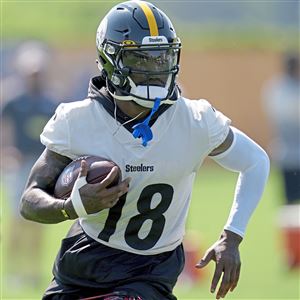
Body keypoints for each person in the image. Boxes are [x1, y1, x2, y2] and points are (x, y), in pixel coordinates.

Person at [20, 1, 269, 299]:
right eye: (141, 60)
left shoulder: (195, 120)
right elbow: (29, 201)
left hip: (151, 270)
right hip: (84, 261)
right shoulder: (78, 120)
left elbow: (255, 161)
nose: (154, 70)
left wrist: (232, 236)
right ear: (111, 61)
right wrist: (71, 207)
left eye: (161, 58)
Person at [1, 41, 57, 287]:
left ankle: (31, 270)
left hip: (41, 166)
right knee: (17, 219)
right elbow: (5, 130)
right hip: (20, 163)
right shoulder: (14, 100)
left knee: (36, 222)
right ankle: (14, 269)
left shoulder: (49, 101)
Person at [262, 53, 300, 268]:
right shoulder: (286, 90)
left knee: (287, 207)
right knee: (289, 208)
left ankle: (290, 254)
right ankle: (292, 253)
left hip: (285, 153)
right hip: (292, 155)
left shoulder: (274, 89)